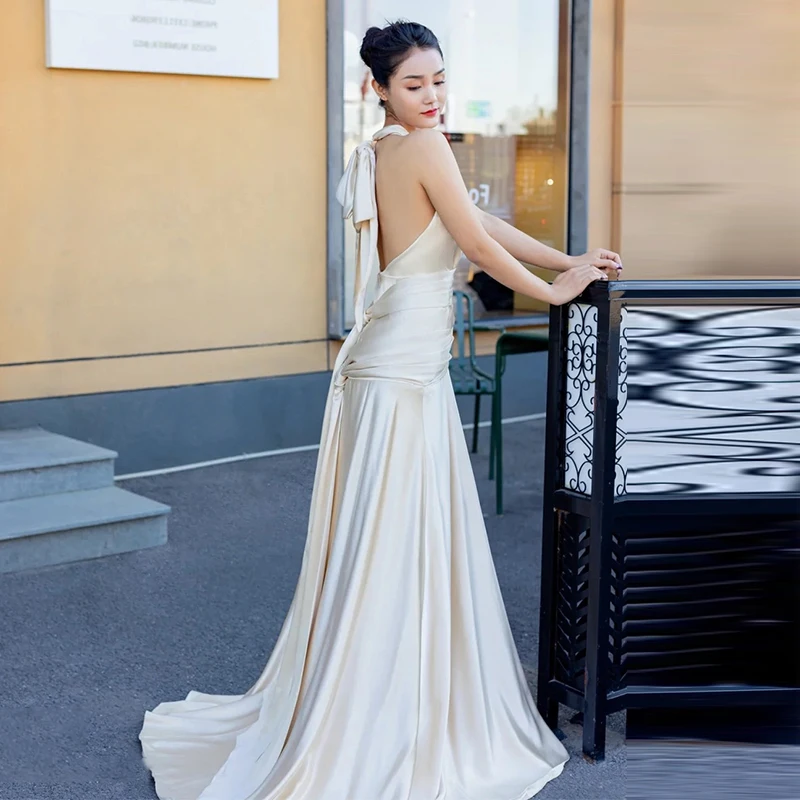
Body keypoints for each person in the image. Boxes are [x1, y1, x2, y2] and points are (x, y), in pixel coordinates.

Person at [138, 20, 621, 800]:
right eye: (414, 84)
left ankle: (381, 699)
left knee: (389, 539)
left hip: (386, 367)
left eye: (438, 79)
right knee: (396, 536)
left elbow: (478, 224)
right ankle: (386, 712)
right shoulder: (420, 147)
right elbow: (472, 238)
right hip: (399, 375)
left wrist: (567, 257)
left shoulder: (389, 149)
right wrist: (555, 290)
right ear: (380, 89)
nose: (432, 96)